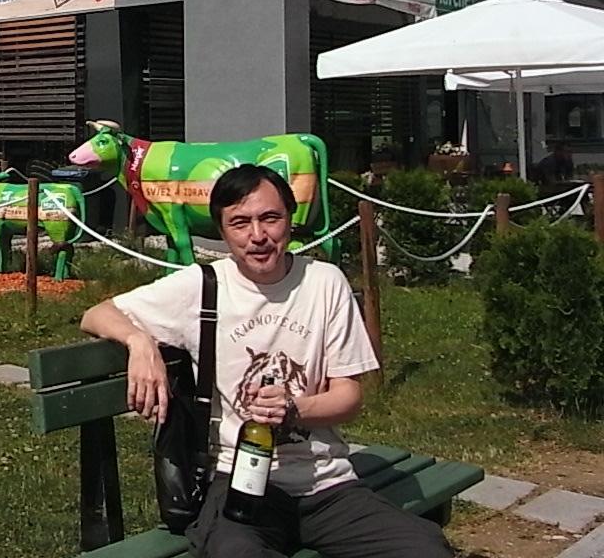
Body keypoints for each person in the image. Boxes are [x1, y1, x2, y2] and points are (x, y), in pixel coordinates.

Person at [80, 165, 451, 558]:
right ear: (222, 231)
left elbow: (349, 396)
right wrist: (140, 342)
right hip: (240, 483)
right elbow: (97, 314)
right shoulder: (203, 286)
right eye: (240, 223)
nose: (257, 236)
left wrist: (295, 409)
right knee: (237, 552)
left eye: (270, 218)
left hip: (327, 485)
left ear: (290, 220)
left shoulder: (324, 282)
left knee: (426, 549)